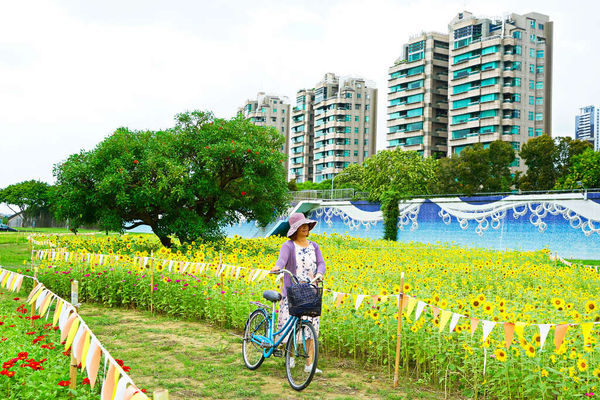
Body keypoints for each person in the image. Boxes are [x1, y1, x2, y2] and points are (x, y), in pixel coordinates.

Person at [271, 212, 325, 374]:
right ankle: (291, 357)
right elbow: (281, 260)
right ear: (295, 229)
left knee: (311, 329)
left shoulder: (314, 246)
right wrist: (277, 267)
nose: (305, 228)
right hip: (293, 292)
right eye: (301, 226)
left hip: (310, 292)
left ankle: (309, 364)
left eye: (306, 225)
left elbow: (321, 263)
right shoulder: (288, 245)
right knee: (291, 327)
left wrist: (320, 273)